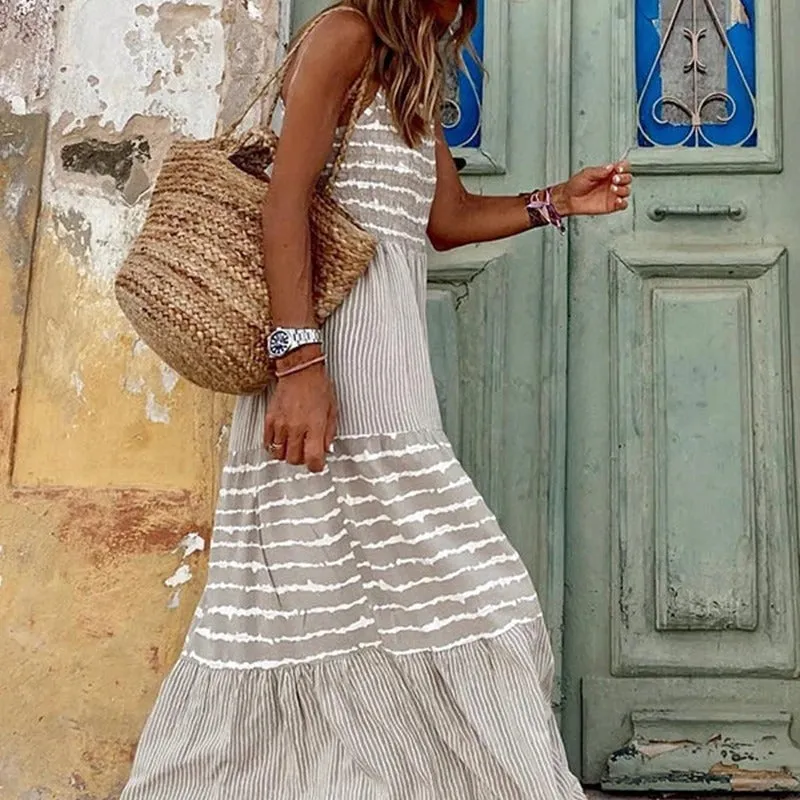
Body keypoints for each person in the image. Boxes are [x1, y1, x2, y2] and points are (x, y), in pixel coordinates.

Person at [121, 1, 632, 797]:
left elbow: (446, 219)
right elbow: (283, 200)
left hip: (387, 376)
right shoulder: (345, 34)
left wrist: (556, 202)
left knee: (338, 609)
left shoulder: (407, 72)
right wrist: (299, 366)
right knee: (421, 594)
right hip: (328, 368)